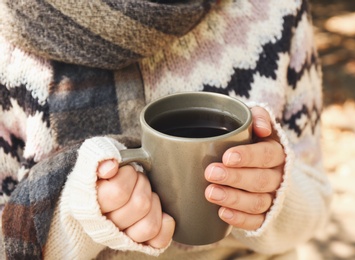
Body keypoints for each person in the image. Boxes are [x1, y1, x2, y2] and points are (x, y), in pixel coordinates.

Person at [0, 0, 332, 259]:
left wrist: (270, 196)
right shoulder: (8, 32)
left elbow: (317, 203)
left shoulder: (275, 10)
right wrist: (75, 220)